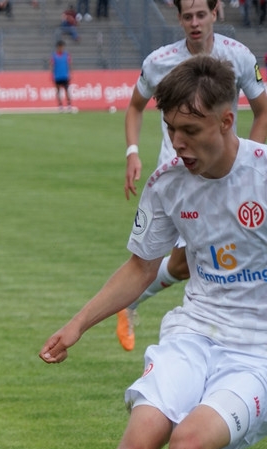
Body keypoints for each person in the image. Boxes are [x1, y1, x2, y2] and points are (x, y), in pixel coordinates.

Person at [0, 55, 267, 449]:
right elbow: (143, 266)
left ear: (229, 120)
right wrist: (78, 323)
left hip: (257, 352)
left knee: (189, 447)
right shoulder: (168, 181)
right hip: (194, 332)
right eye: (171, 130)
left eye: (190, 131)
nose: (178, 144)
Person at [117, 0, 267, 351]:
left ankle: (204, 335)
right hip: (180, 180)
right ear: (179, 19)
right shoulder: (158, 62)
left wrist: (248, 162)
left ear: (215, 14)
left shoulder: (240, 56)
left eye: (202, 15)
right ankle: (196, 333)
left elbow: (262, 111)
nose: (195, 23)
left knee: (197, 263)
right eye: (188, 16)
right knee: (186, 262)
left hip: (222, 173)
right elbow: (134, 108)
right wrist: (132, 152)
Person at [51, 40, 73, 112]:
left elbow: (69, 64)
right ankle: (60, 105)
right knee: (58, 91)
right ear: (58, 47)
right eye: (60, 47)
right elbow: (52, 66)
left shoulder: (66, 55)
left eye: (62, 47)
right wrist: (52, 75)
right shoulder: (54, 56)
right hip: (57, 76)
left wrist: (70, 73)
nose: (61, 48)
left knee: (67, 91)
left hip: (65, 75)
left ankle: (69, 105)